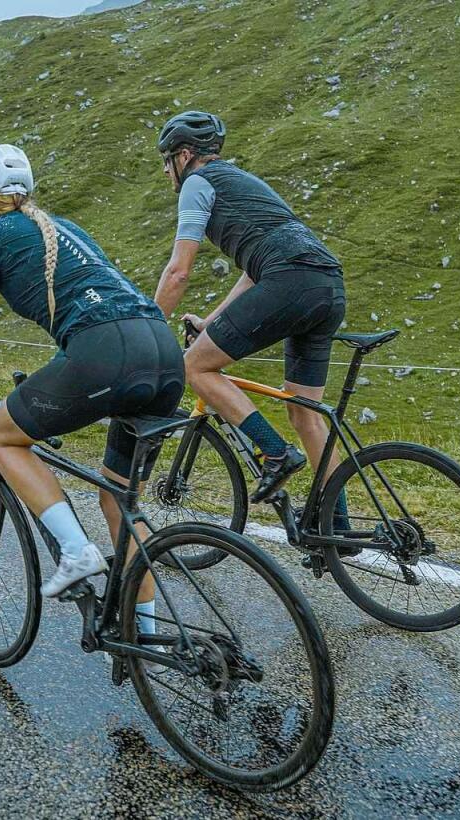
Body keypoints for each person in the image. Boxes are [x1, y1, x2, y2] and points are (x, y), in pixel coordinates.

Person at [0, 143, 184, 620]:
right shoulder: (64, 227)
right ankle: (151, 641)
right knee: (119, 501)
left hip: (104, 354)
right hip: (163, 353)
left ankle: (76, 552)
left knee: (3, 436)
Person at [152, 111, 351, 531]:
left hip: (291, 281)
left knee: (195, 367)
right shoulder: (243, 182)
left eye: (166, 161)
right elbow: (254, 271)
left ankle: (274, 454)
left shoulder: (197, 183)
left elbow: (178, 272)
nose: (166, 172)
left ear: (183, 155)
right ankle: (337, 528)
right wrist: (210, 323)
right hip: (327, 286)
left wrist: (149, 326)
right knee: (305, 413)